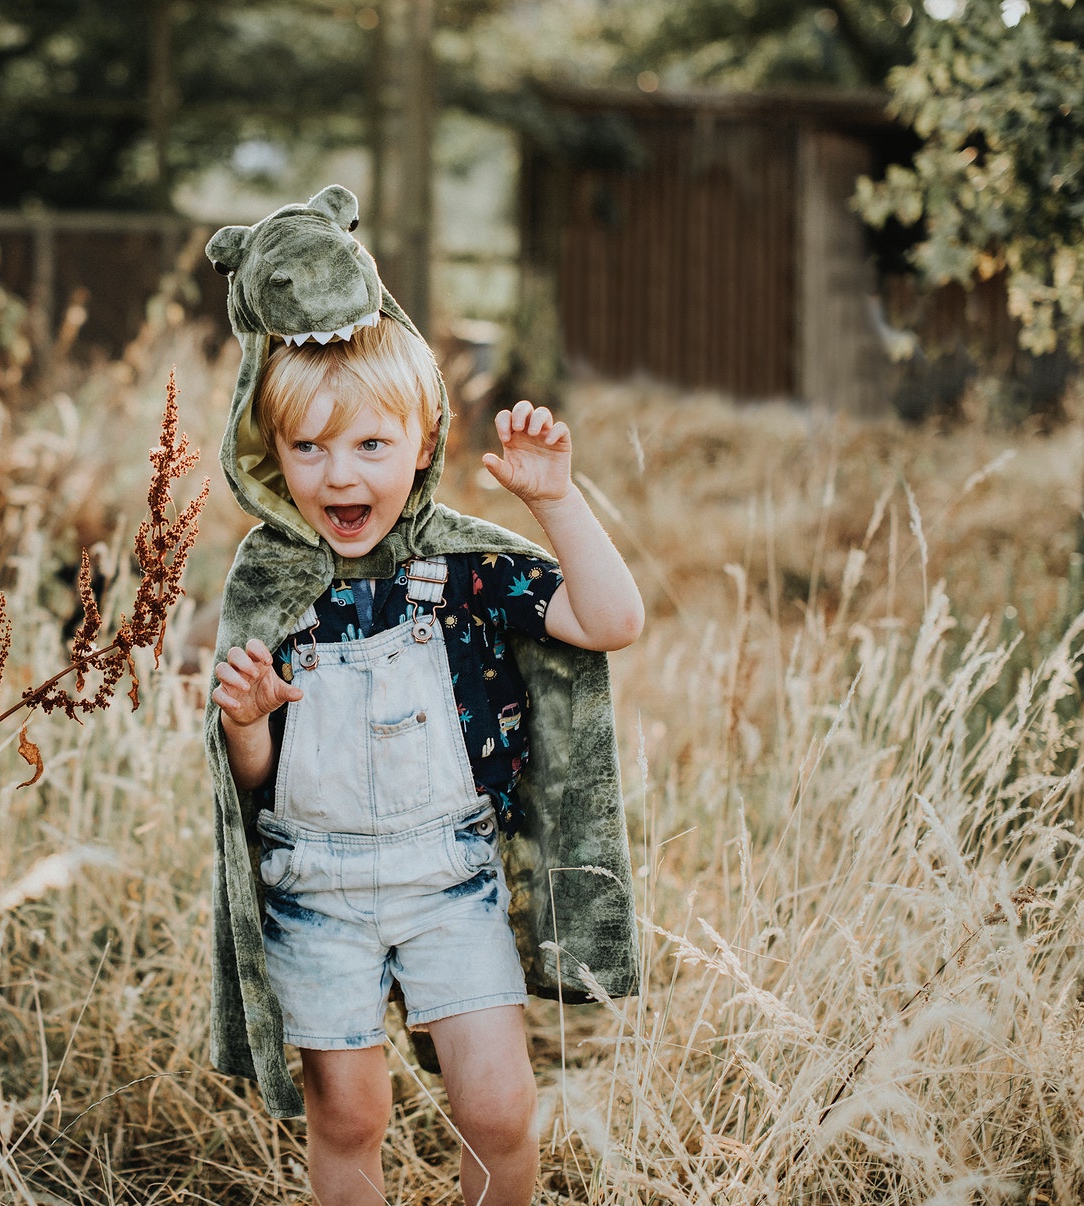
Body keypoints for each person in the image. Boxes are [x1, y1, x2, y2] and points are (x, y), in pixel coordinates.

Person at [202, 188, 643, 1206]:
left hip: (452, 880)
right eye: (307, 448)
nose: (337, 472)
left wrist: (557, 500)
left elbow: (609, 620)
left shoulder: (465, 572)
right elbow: (255, 788)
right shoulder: (272, 590)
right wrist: (247, 723)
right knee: (349, 1117)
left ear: (422, 440)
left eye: (368, 445)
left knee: (498, 1109)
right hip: (314, 891)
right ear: (270, 455)